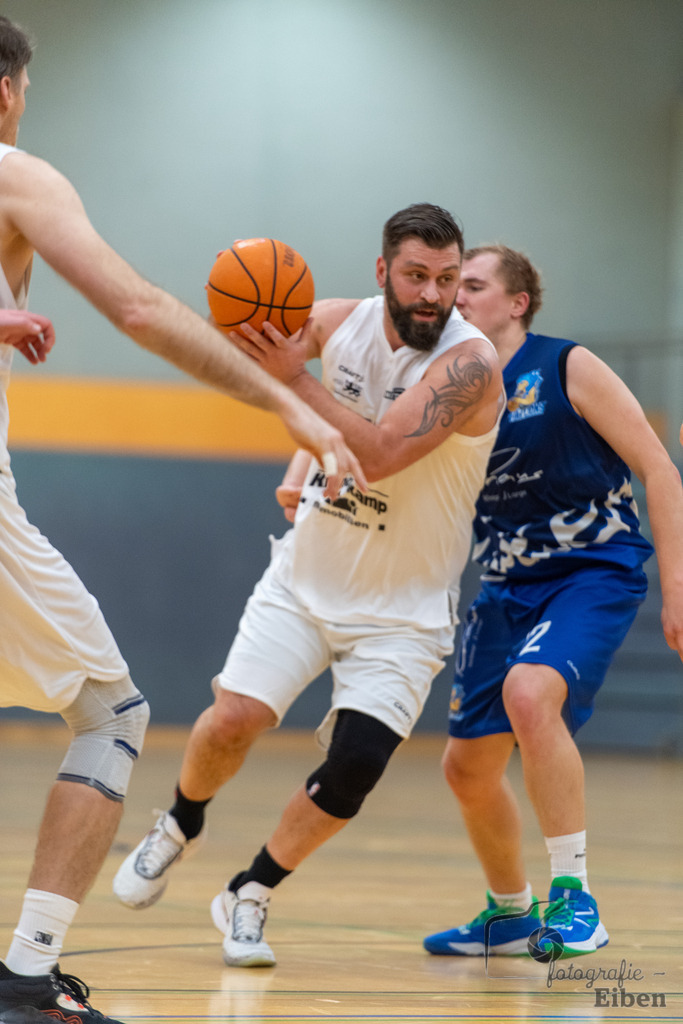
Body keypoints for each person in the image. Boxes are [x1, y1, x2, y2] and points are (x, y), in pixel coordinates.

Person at [0, 16, 363, 1024]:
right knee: (109, 716)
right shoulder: (17, 174)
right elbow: (141, 310)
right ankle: (27, 978)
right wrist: (285, 401)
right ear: (7, 93)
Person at [112, 202, 504, 968]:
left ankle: (251, 890)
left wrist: (292, 381)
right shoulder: (332, 321)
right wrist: (238, 349)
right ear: (383, 272)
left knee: (354, 768)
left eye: (448, 280)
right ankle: (180, 823)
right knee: (233, 720)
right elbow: (251, 357)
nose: (433, 294)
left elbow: (384, 452)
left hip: (403, 612)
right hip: (306, 580)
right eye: (417, 276)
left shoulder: (470, 364)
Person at [422, 245, 683, 961]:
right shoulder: (443, 386)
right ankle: (508, 914)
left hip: (588, 572)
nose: (455, 298)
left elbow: (657, 468)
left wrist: (677, 585)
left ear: (516, 303)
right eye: (449, 286)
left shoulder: (565, 365)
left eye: (470, 285)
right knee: (465, 768)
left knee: (529, 695)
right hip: (504, 586)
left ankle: (574, 898)